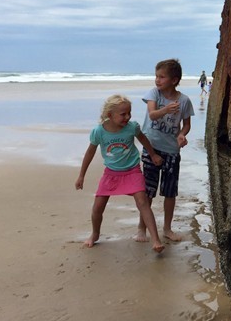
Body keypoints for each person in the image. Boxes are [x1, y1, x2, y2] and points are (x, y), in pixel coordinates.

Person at [75, 94, 165, 253]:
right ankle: (95, 234)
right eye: (123, 114)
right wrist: (81, 175)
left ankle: (156, 240)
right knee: (97, 207)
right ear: (110, 115)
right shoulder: (99, 132)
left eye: (129, 113)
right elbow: (89, 153)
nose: (127, 117)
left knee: (143, 202)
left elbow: (144, 140)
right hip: (111, 174)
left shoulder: (132, 127)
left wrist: (153, 155)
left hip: (132, 171)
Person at [137, 58, 195, 242]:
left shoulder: (184, 100)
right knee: (148, 191)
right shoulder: (154, 93)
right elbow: (153, 115)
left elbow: (186, 125)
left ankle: (167, 229)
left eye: (162, 77)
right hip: (151, 148)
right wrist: (166, 110)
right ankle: (141, 228)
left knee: (170, 192)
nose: (157, 80)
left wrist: (182, 135)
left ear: (174, 80)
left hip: (171, 151)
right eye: (156, 76)